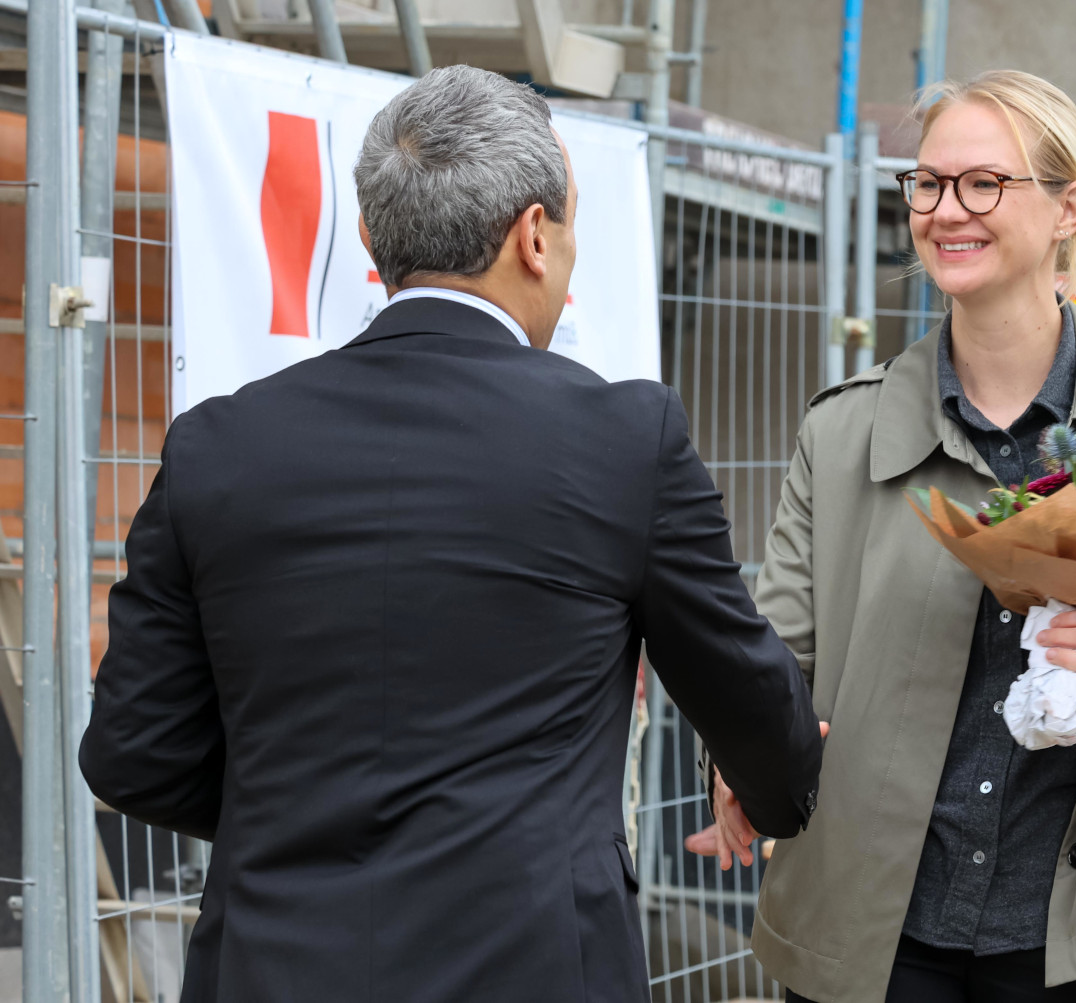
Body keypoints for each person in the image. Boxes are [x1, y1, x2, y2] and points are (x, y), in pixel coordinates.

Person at [79, 65, 823, 1003]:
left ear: (368, 242)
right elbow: (746, 692)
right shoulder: (624, 440)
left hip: (272, 964)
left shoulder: (217, 444)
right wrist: (778, 782)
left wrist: (296, 811)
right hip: (535, 964)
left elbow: (132, 752)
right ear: (535, 235)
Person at [687, 70, 1076, 1003]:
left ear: (1068, 208)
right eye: (927, 183)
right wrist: (739, 759)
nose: (945, 210)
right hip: (876, 936)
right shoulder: (844, 433)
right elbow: (772, 661)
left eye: (984, 183)